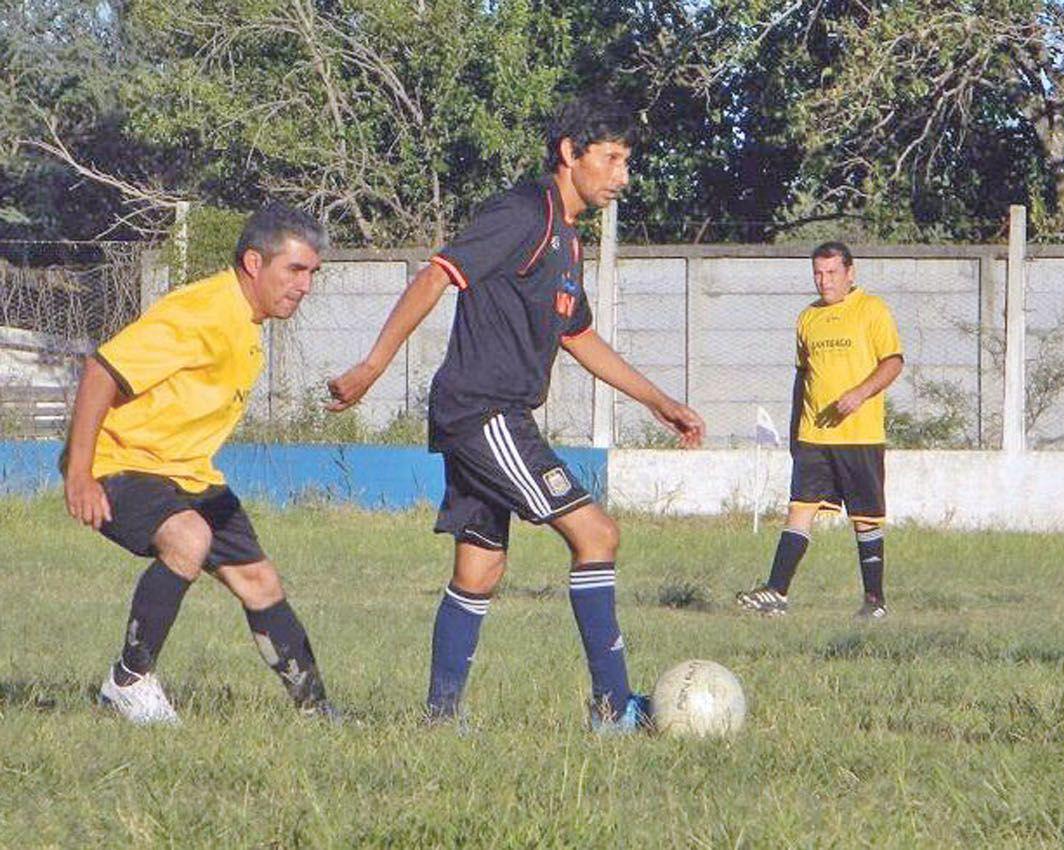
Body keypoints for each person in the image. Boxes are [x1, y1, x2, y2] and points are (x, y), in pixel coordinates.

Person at [327, 93, 703, 732]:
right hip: (485, 413)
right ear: (570, 154)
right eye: (611, 159)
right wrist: (374, 364)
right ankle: (612, 710)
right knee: (597, 535)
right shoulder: (524, 213)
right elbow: (436, 276)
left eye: (626, 162)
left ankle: (442, 719)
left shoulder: (568, 239)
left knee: (481, 565)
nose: (623, 176)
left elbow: (578, 337)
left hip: (485, 413)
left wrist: (659, 401)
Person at [63, 203, 336, 724]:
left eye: (312, 273)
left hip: (189, 475)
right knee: (189, 539)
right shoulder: (201, 311)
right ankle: (129, 680)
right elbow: (101, 370)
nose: (304, 285)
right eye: (295, 270)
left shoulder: (245, 320)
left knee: (260, 583)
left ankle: (317, 714)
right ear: (254, 262)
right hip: (121, 463)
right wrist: (79, 473)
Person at [736, 241, 903, 619]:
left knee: (865, 517)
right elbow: (802, 377)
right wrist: (796, 431)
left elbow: (893, 363)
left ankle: (875, 601)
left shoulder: (872, 310)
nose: (824, 282)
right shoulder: (807, 318)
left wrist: (860, 393)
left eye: (831, 273)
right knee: (799, 509)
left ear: (850, 273)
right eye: (818, 273)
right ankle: (776, 591)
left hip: (859, 436)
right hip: (814, 435)